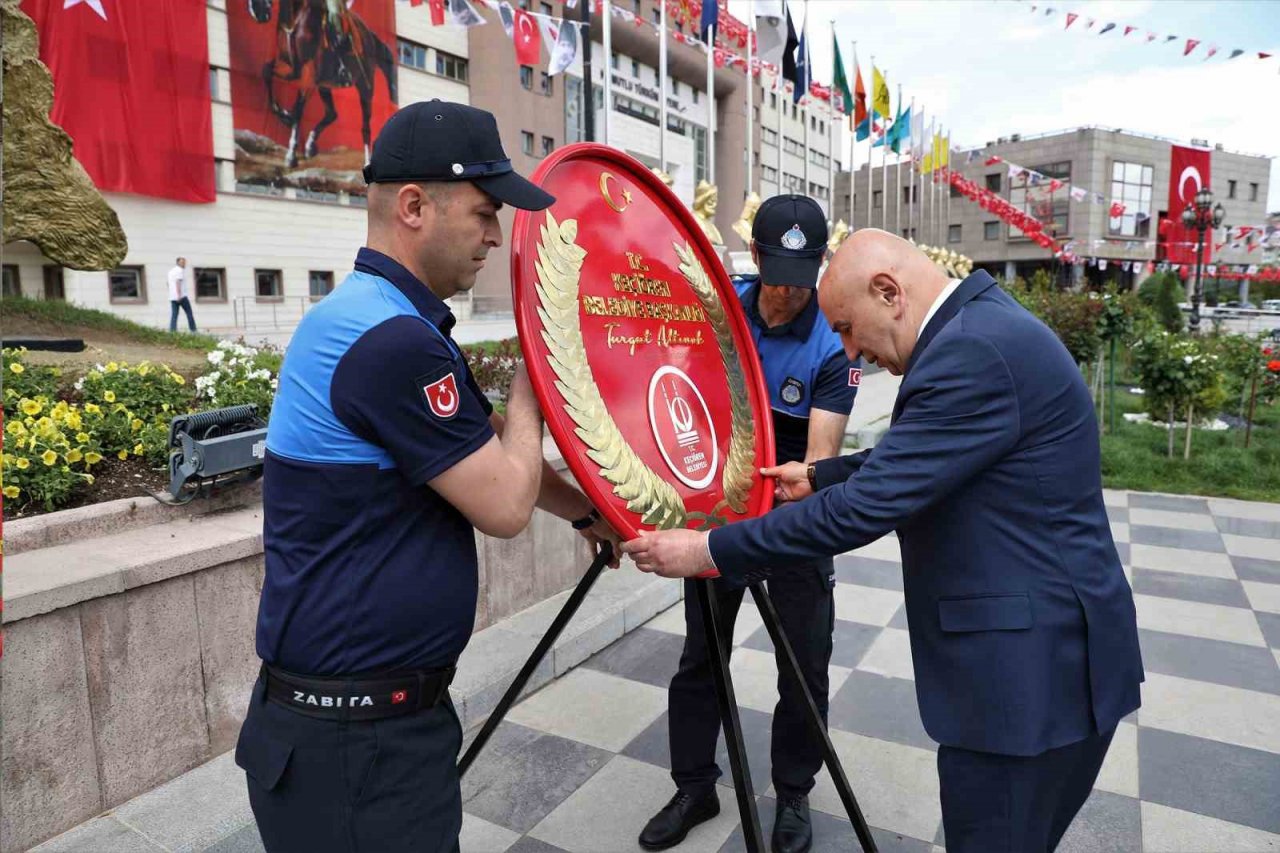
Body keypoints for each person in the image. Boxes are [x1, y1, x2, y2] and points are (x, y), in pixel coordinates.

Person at [623, 229, 1144, 853]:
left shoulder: (971, 351)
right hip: (1039, 667)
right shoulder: (979, 329)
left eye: (845, 327)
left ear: (889, 292)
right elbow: (927, 455)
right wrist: (819, 473)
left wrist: (707, 550)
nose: (850, 352)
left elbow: (863, 512)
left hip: (1033, 683)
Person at [235, 100, 620, 853]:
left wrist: (587, 513)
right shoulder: (388, 342)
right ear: (414, 206)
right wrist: (535, 370)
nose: (494, 234)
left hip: (369, 728)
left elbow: (484, 451)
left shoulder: (384, 320)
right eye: (483, 212)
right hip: (354, 745)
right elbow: (504, 502)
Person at [639, 196, 859, 853]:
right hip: (714, 502)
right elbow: (671, 388)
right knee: (701, 654)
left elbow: (817, 460)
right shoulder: (717, 309)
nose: (788, 290)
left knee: (804, 663)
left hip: (793, 512)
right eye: (778, 270)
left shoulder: (831, 339)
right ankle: (694, 784)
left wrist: (766, 524)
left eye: (803, 273)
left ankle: (792, 792)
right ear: (755, 256)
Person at [167, 257, 197, 332]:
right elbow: (178, 282)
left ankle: (172, 331)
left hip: (172, 297)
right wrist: (179, 295)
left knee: (174, 315)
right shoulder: (180, 270)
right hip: (181, 296)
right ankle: (193, 331)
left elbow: (168, 284)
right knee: (189, 313)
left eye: (184, 262)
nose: (184, 264)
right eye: (182, 262)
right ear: (178, 263)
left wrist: (173, 293)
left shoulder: (171, 271)